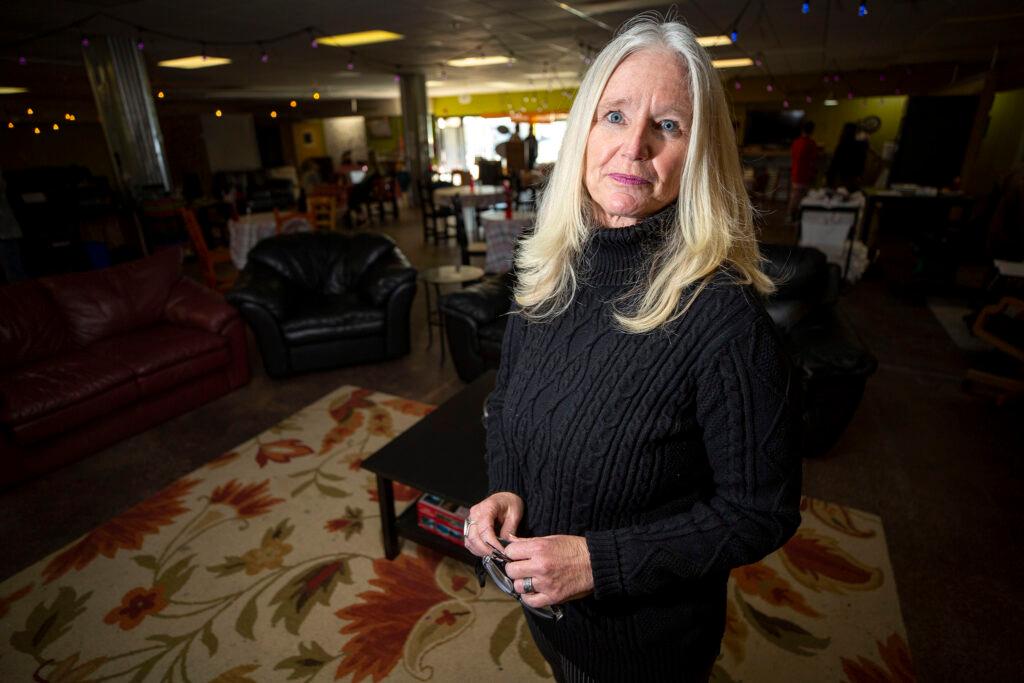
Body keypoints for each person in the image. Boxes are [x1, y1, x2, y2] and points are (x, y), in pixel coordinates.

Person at [463, 15, 803, 682]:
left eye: (668, 125)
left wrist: (598, 563)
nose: (634, 145)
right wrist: (504, 484)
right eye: (614, 115)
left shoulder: (725, 316)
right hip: (550, 618)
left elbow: (761, 510)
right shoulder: (550, 267)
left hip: (647, 645)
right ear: (584, 129)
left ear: (699, 153)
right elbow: (505, 404)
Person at [788, 120, 818, 221]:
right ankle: (798, 216)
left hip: (796, 172)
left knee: (795, 196)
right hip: (805, 174)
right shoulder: (811, 143)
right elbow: (813, 160)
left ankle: (792, 215)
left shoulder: (796, 142)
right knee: (802, 196)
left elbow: (793, 156)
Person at [826, 122, 868, 190]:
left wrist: (829, 179)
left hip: (841, 177)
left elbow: (834, 163)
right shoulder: (860, 145)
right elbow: (862, 162)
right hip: (854, 177)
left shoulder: (842, 145)